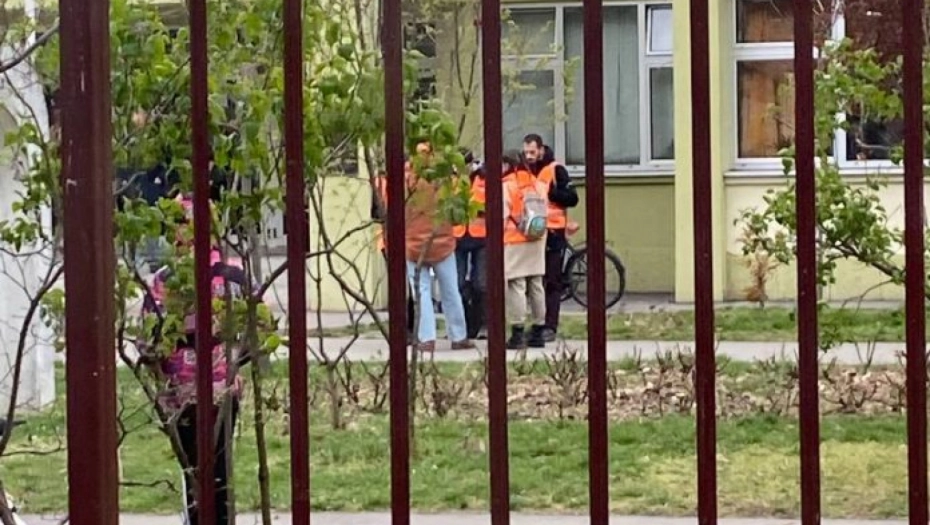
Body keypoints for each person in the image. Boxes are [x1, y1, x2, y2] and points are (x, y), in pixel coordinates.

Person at [141, 196, 260, 525]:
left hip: (180, 391)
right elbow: (260, 327)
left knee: (193, 472)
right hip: (224, 389)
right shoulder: (233, 275)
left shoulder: (165, 281)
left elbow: (147, 343)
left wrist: (162, 372)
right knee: (220, 467)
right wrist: (233, 361)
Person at [397, 140, 474, 352]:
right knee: (450, 291)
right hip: (443, 243)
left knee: (421, 293)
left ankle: (427, 338)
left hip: (413, 245)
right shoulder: (445, 180)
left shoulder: (404, 180)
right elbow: (457, 213)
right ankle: (459, 336)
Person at [522, 134, 579, 342]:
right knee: (534, 281)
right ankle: (537, 324)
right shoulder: (525, 171)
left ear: (541, 150)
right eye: (526, 152)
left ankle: (550, 326)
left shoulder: (556, 170)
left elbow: (572, 198)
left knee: (552, 281)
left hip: (554, 232)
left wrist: (554, 194)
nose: (529, 156)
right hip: (533, 232)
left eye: (532, 152)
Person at [502, 150, 549, 349]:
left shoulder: (507, 185)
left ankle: (518, 332)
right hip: (537, 238)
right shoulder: (537, 184)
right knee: (536, 284)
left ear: (507, 165)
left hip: (515, 239)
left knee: (517, 285)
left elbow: (503, 215)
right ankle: (539, 330)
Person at [372, 169, 416, 341]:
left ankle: (403, 329)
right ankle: (407, 328)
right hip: (406, 241)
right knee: (409, 286)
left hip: (396, 241)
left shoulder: (380, 182)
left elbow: (375, 214)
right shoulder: (414, 179)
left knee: (400, 287)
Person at [453, 153, 488, 340]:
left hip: (481, 236)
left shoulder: (483, 179)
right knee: (457, 284)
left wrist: (476, 208)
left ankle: (484, 324)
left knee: (481, 283)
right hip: (457, 236)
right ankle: (464, 325)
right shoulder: (451, 181)